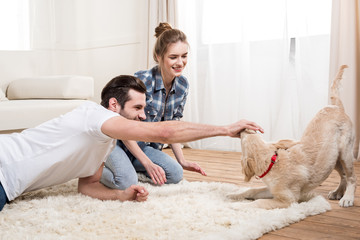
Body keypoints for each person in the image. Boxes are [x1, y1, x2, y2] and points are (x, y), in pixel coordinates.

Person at [0, 75, 264, 212]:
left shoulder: (105, 142)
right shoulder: (95, 116)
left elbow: (88, 184)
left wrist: (121, 195)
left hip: (10, 186)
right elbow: (164, 133)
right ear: (114, 105)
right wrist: (224, 129)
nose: (143, 114)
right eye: (137, 107)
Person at [101, 22, 204, 190]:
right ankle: (94, 168)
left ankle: (130, 166)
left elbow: (173, 126)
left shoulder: (183, 86)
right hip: (118, 141)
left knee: (176, 174)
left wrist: (182, 161)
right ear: (158, 56)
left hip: (144, 146)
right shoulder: (142, 80)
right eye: (173, 57)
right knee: (125, 183)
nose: (180, 62)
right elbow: (123, 127)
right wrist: (147, 163)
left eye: (184, 56)